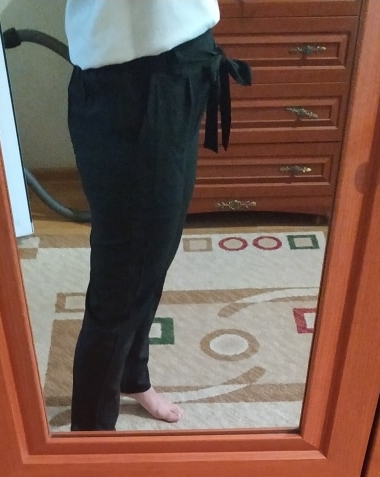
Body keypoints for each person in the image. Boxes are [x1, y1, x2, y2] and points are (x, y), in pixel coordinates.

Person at [64, 0, 251, 430]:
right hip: (126, 80)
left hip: (186, 64)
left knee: (154, 254)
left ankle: (132, 375)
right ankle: (89, 446)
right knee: (120, 283)